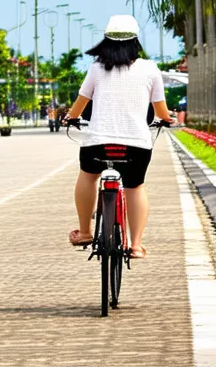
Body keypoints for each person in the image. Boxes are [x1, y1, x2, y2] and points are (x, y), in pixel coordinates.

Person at [65, 15, 172, 259]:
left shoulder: (96, 69)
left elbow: (80, 104)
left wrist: (70, 118)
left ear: (106, 42)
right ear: (136, 42)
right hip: (136, 145)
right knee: (135, 187)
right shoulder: (150, 69)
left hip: (97, 144)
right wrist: (167, 119)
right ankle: (135, 245)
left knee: (88, 177)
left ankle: (84, 231)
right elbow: (160, 111)